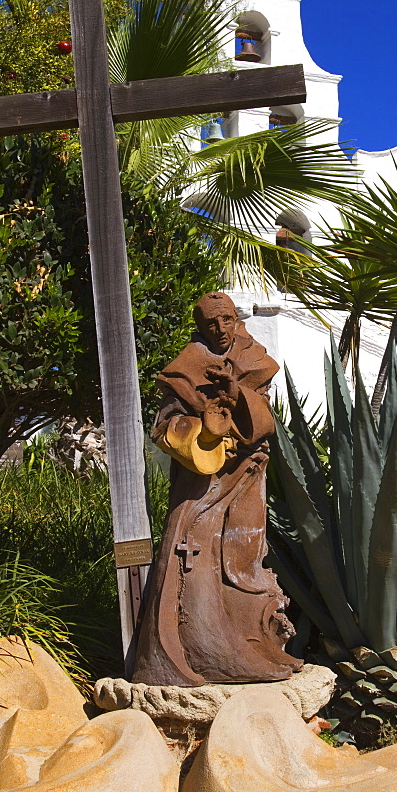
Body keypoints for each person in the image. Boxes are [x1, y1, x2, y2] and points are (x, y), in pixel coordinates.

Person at [133, 292, 303, 686]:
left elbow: (265, 421)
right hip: (203, 480)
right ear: (200, 325)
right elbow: (165, 426)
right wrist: (200, 425)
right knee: (194, 554)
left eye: (227, 320)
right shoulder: (184, 370)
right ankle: (199, 650)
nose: (221, 329)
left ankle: (257, 644)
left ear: (236, 319)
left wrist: (237, 391)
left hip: (247, 474)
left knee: (244, 552)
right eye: (212, 323)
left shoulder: (253, 357)